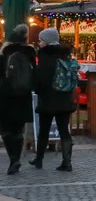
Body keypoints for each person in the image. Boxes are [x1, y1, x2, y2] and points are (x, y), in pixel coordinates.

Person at [32, 28, 77, 173]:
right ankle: (67, 162)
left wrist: (37, 90)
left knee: (44, 130)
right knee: (64, 131)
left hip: (48, 99)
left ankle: (39, 159)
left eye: (41, 40)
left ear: (47, 41)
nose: (39, 43)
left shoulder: (46, 56)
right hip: (64, 98)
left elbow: (42, 79)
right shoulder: (65, 54)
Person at [0, 25, 36, 175]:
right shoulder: (30, 52)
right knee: (18, 130)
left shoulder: (5, 53)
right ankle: (17, 158)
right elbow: (35, 73)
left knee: (5, 129)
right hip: (24, 96)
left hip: (6, 96)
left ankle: (13, 159)